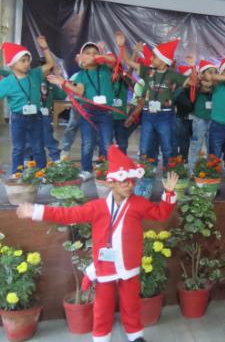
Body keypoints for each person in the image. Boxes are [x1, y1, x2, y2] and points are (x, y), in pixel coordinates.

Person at [16, 145, 179, 342]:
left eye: (132, 181)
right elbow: (68, 214)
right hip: (105, 266)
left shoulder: (138, 203)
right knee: (103, 307)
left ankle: (135, 335)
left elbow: (160, 214)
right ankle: (101, 337)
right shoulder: (98, 207)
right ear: (111, 183)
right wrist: (36, 211)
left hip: (128, 265)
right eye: (124, 181)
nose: (130, 185)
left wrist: (169, 194)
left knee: (131, 304)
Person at [49, 42, 117, 178]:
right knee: (87, 143)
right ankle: (86, 170)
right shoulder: (81, 75)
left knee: (107, 143)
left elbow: (113, 61)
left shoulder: (104, 69)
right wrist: (63, 82)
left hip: (105, 112)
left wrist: (101, 56)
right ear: (82, 57)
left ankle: (109, 169)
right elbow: (79, 91)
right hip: (87, 112)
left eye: (95, 53)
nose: (92, 55)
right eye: (88, 53)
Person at [122, 36, 190, 167]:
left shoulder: (172, 75)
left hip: (165, 115)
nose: (151, 59)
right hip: (148, 114)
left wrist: (192, 68)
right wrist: (122, 46)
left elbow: (192, 83)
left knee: (167, 147)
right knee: (144, 146)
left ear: (164, 61)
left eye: (154, 57)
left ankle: (168, 171)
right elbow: (127, 62)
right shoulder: (147, 72)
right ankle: (146, 171)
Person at [0, 38, 54, 175]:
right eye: (22, 61)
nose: (27, 63)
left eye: (28, 60)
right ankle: (16, 173)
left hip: (36, 117)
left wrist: (45, 48)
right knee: (18, 148)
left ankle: (42, 173)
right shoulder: (7, 82)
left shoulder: (35, 74)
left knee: (38, 146)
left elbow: (50, 64)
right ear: (12, 64)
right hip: (17, 118)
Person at [187, 60, 217, 170]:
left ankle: (210, 171)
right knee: (196, 145)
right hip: (199, 120)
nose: (213, 75)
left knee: (211, 146)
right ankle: (191, 170)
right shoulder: (197, 85)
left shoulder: (216, 86)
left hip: (213, 120)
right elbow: (203, 87)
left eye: (215, 72)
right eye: (210, 72)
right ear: (202, 74)